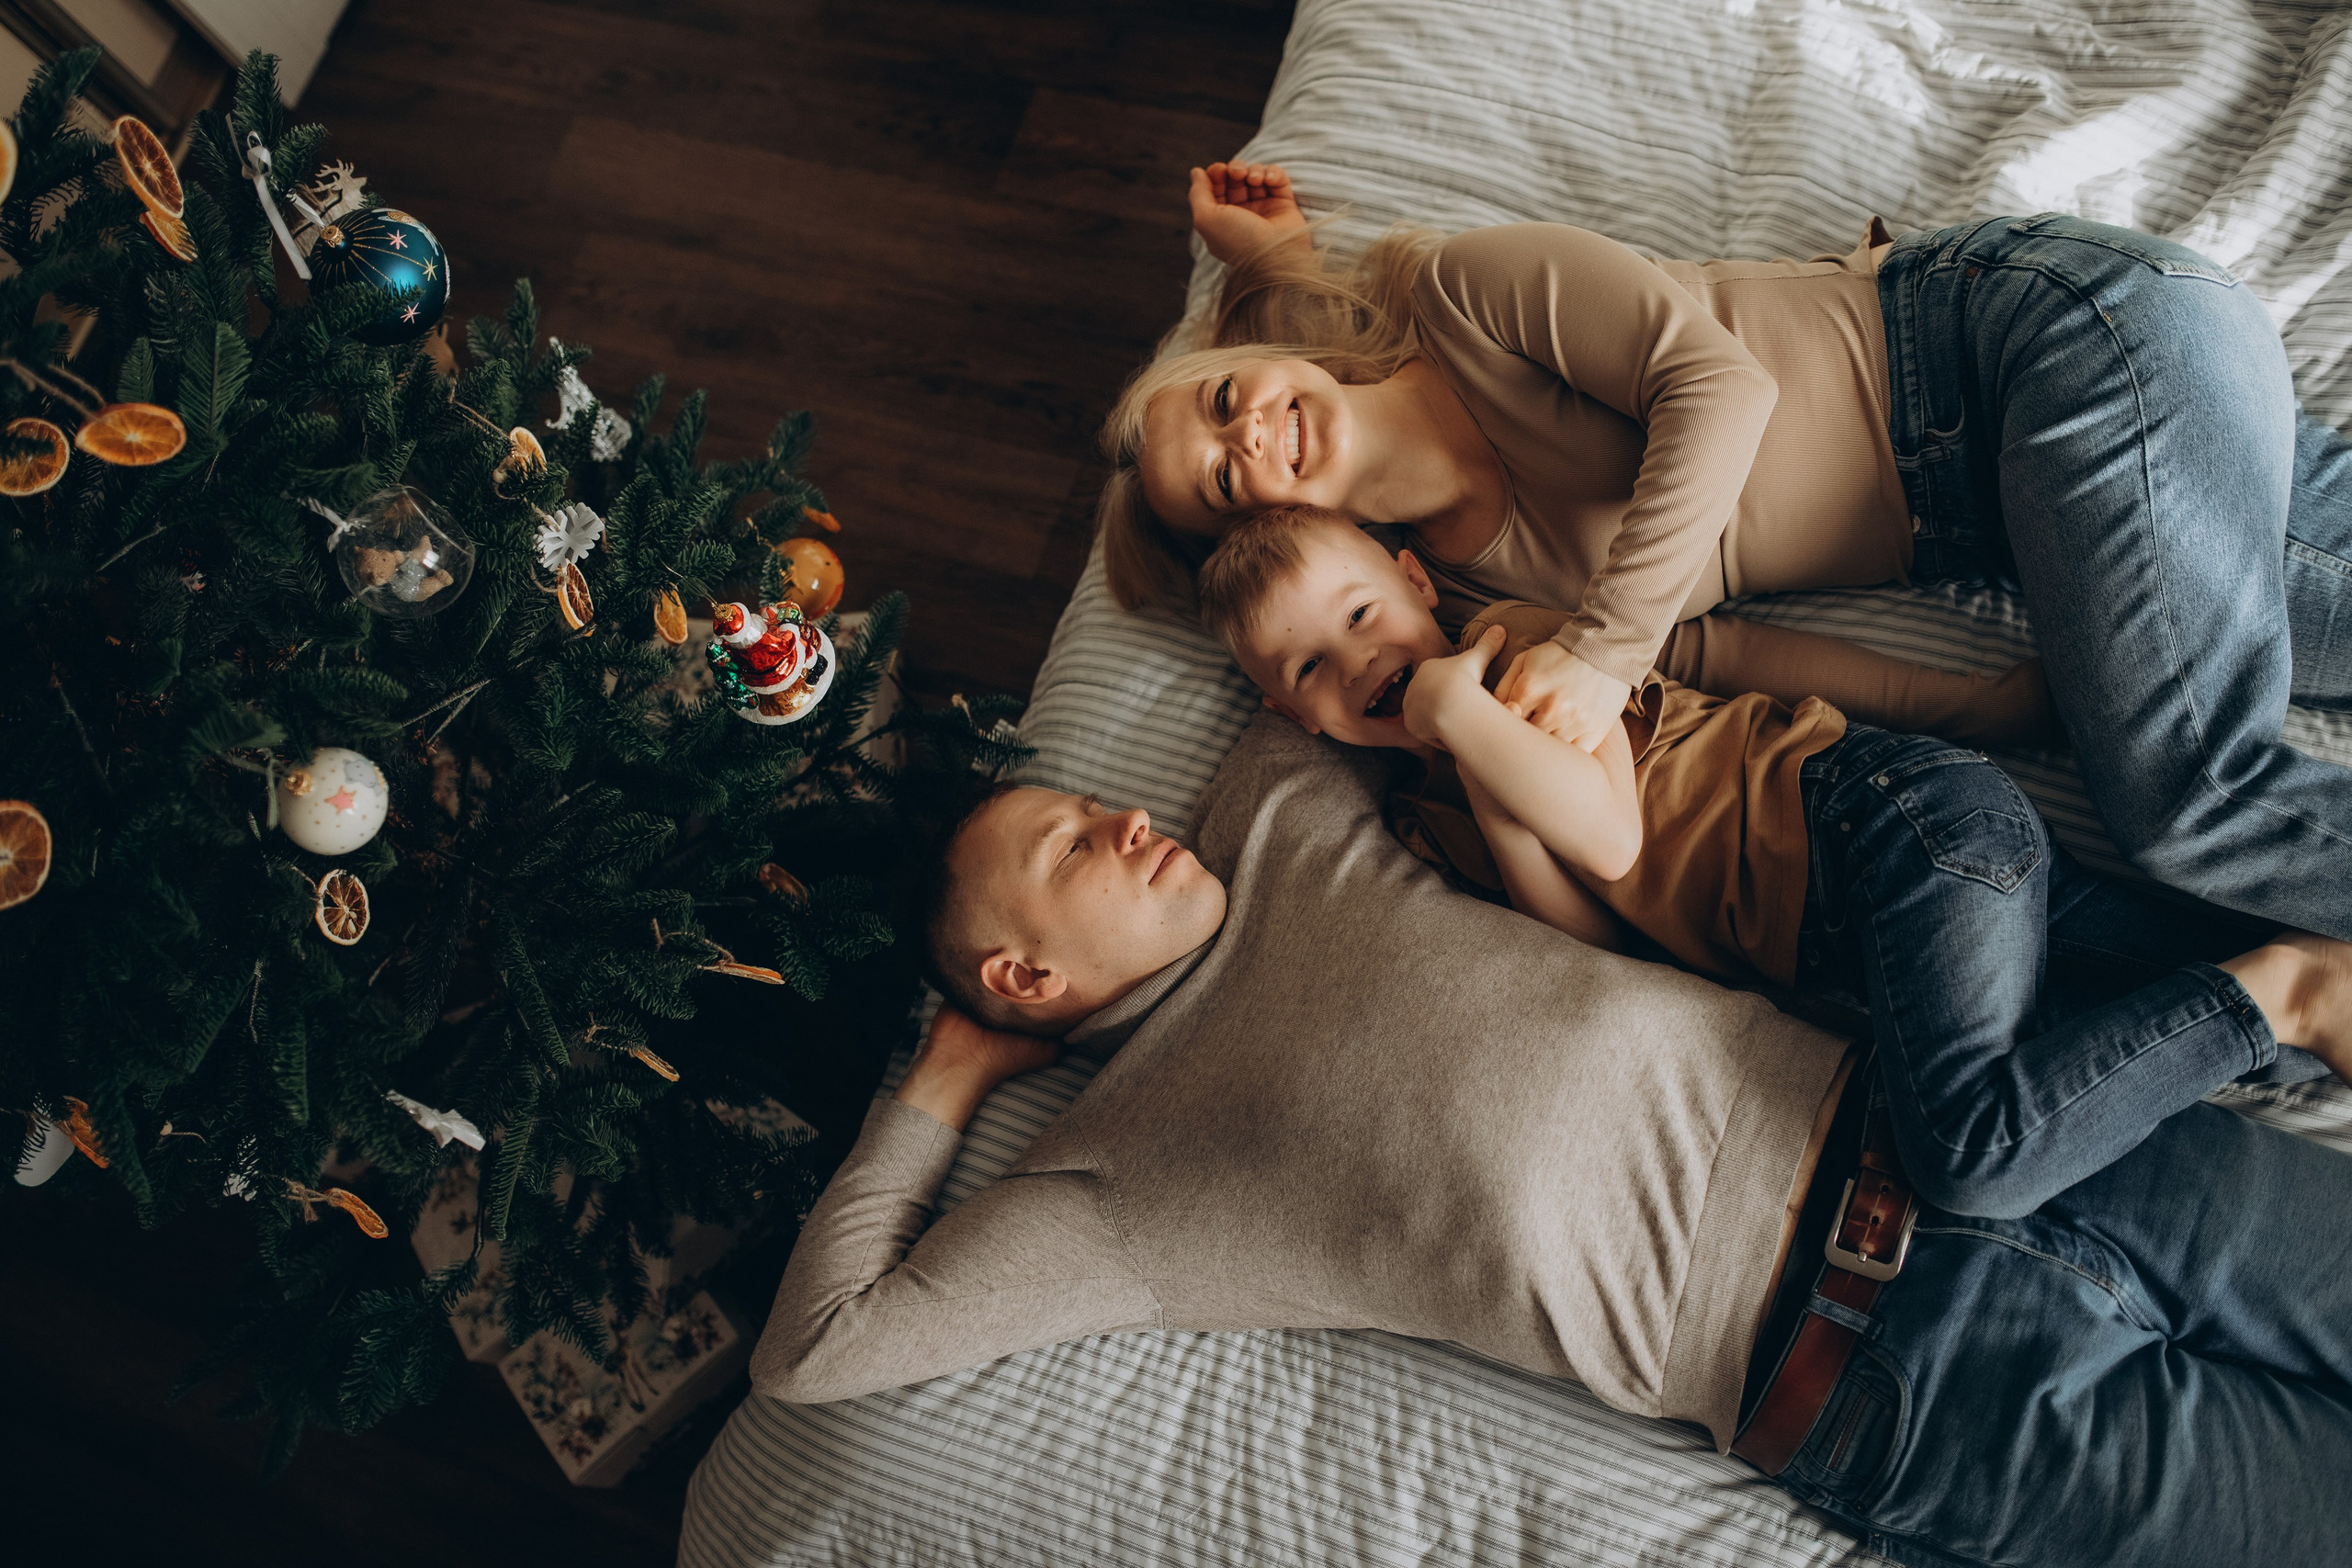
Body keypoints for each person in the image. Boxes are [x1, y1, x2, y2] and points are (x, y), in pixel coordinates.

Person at [752, 725, 2352, 1567]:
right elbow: (821, 1351)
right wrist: (950, 1076)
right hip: (1906, 1384)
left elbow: (1316, 572)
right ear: (1025, 976)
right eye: (1068, 844)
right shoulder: (1111, 1191)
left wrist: (1261, 285)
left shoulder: (1278, 817)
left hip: (2001, 1108)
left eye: (1088, 795)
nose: (1119, 816)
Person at [1097, 157, 2352, 938]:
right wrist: (1993, 705)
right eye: (1224, 481)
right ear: (1275, 537)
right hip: (2026, 515)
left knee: (2189, 798)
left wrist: (1600, 649)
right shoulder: (1466, 590)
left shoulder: (1466, 296)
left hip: (2022, 344)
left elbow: (1720, 386)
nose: (1249, 434)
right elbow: (1715, 648)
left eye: (1223, 396)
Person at [1195, 502, 2346, 1216]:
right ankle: (2298, 978)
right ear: (1295, 722)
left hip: (1882, 828)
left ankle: (2283, 990)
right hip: (1873, 932)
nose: (1354, 664)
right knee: (2270, 1055)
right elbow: (1589, 934)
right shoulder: (1424, 819)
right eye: (1305, 670)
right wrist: (1474, 771)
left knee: (1974, 1158)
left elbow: (1608, 834)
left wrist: (1466, 712)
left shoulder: (1530, 652)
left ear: (1410, 577)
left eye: (1355, 613)